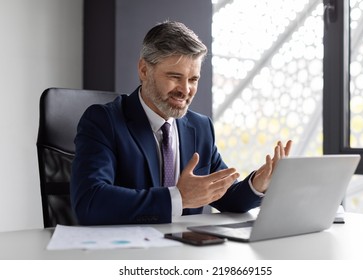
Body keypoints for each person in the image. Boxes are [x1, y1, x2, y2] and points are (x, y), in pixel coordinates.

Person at [70, 21, 292, 225]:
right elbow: (91, 202)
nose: (185, 90)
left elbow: (226, 197)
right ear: (144, 70)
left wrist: (258, 184)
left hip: (188, 253)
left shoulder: (201, 128)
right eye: (175, 77)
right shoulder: (103, 121)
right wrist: (179, 198)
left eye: (193, 79)